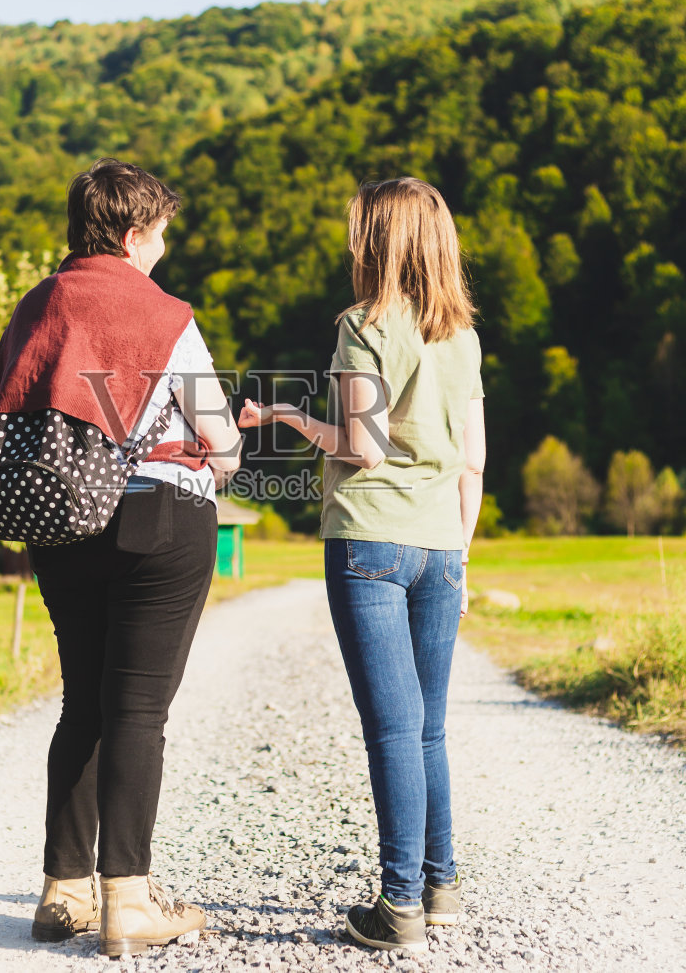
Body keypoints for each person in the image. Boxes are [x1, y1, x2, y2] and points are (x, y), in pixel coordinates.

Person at [0, 158, 242, 957]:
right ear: (134, 234)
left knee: (82, 702)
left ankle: (61, 891)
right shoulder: (160, 313)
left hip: (59, 520)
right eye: (160, 233)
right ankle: (127, 902)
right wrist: (225, 454)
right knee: (137, 709)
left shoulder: (35, 306)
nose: (164, 247)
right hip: (157, 520)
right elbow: (220, 438)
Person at [238, 177, 484, 955]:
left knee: (390, 730)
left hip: (370, 540)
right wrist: (463, 555)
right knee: (429, 728)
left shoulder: (362, 326)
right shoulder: (464, 337)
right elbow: (473, 461)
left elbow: (363, 444)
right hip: (443, 542)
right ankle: (439, 888)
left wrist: (291, 418)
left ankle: (399, 906)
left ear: (377, 244)